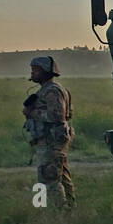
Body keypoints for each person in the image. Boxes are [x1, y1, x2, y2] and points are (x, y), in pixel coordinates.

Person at [22, 54, 75, 208]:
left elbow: (57, 116)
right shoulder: (51, 90)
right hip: (53, 140)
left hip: (50, 142)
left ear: (45, 71)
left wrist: (31, 113)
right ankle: (70, 210)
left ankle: (57, 213)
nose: (32, 73)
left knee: (48, 178)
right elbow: (68, 114)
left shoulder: (51, 91)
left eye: (36, 70)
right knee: (62, 176)